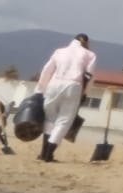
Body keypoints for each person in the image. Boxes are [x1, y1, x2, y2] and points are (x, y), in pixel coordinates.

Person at [35, 34, 97, 162]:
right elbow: (89, 76)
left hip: (54, 84)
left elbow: (47, 70)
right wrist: (84, 93)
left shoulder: (59, 51)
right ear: (86, 42)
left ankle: (43, 153)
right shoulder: (90, 55)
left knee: (50, 119)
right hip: (74, 86)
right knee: (64, 121)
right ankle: (48, 154)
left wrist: (40, 89)